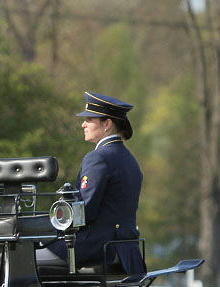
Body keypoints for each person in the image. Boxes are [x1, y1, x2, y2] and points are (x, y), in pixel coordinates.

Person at [37, 92, 147, 274]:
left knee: (22, 260)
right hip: (125, 248)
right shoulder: (129, 159)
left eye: (89, 119)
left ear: (107, 124)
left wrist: (45, 228)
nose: (83, 124)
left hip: (96, 246)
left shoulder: (98, 157)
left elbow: (83, 211)